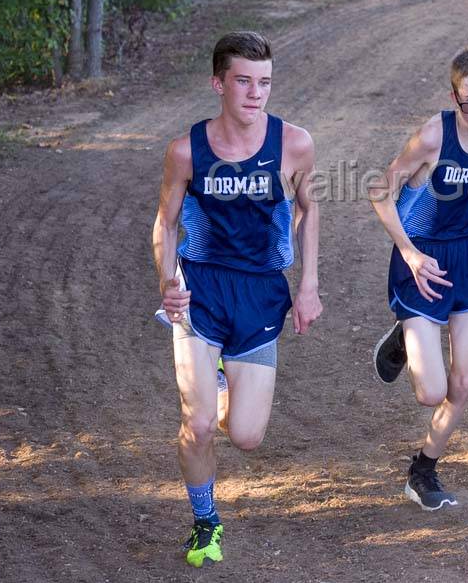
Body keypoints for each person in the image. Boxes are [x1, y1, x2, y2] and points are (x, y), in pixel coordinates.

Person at [151, 31, 322, 566]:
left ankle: (222, 383)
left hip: (262, 293)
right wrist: (167, 282)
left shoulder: (294, 144)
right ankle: (205, 521)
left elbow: (311, 211)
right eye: (243, 82)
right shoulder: (185, 151)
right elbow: (165, 223)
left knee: (245, 435)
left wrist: (308, 286)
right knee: (198, 424)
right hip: (200, 292)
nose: (255, 93)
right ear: (218, 83)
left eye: (264, 83)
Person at [369, 47, 468, 510]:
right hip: (424, 259)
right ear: (455, 98)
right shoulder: (433, 136)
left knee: (464, 384)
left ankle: (423, 470)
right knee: (429, 391)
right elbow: (380, 191)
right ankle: (402, 336)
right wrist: (409, 253)